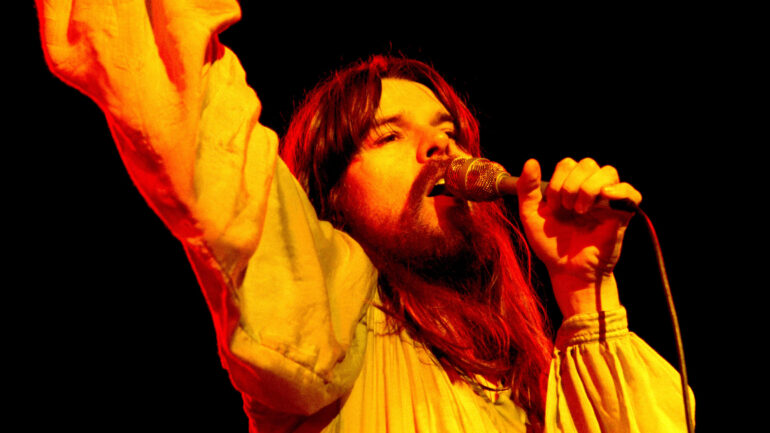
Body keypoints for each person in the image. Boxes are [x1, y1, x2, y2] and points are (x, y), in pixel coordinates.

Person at [36, 1, 693, 432]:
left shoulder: (536, 381)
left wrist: (586, 294)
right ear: (329, 197)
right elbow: (218, 160)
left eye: (446, 129)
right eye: (387, 136)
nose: (440, 146)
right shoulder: (324, 318)